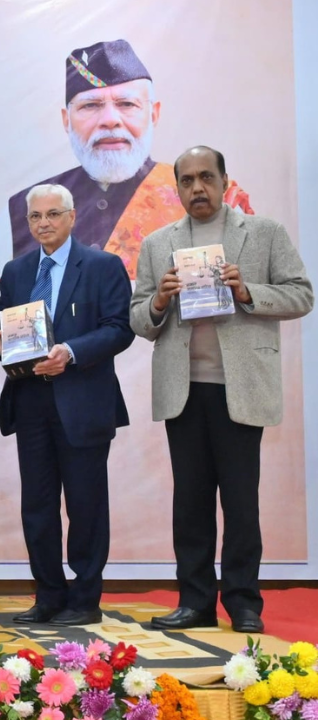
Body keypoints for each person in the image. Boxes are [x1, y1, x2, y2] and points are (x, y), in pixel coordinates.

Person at [130, 146, 312, 634]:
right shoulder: (157, 243)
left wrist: (248, 291)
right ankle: (195, 602)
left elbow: (302, 294)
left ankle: (244, 603)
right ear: (176, 188)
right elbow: (138, 319)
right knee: (189, 504)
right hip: (183, 389)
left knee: (240, 503)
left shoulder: (265, 232)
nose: (197, 188)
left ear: (225, 181)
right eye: (187, 180)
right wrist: (159, 301)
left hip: (241, 387)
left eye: (206, 177)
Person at [0, 39, 252, 279]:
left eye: (127, 104)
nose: (110, 120)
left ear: (154, 114)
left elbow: (247, 282)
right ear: (66, 120)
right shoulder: (21, 211)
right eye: (90, 105)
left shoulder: (212, 197)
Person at [0, 183, 134, 626]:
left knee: (86, 505)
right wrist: (2, 344)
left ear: (72, 217)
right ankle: (49, 595)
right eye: (36, 216)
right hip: (30, 402)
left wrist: (70, 353)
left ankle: (85, 600)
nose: (44, 224)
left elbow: (119, 329)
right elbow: (5, 330)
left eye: (53, 214)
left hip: (83, 403)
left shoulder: (102, 265)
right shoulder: (15, 271)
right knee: (37, 507)